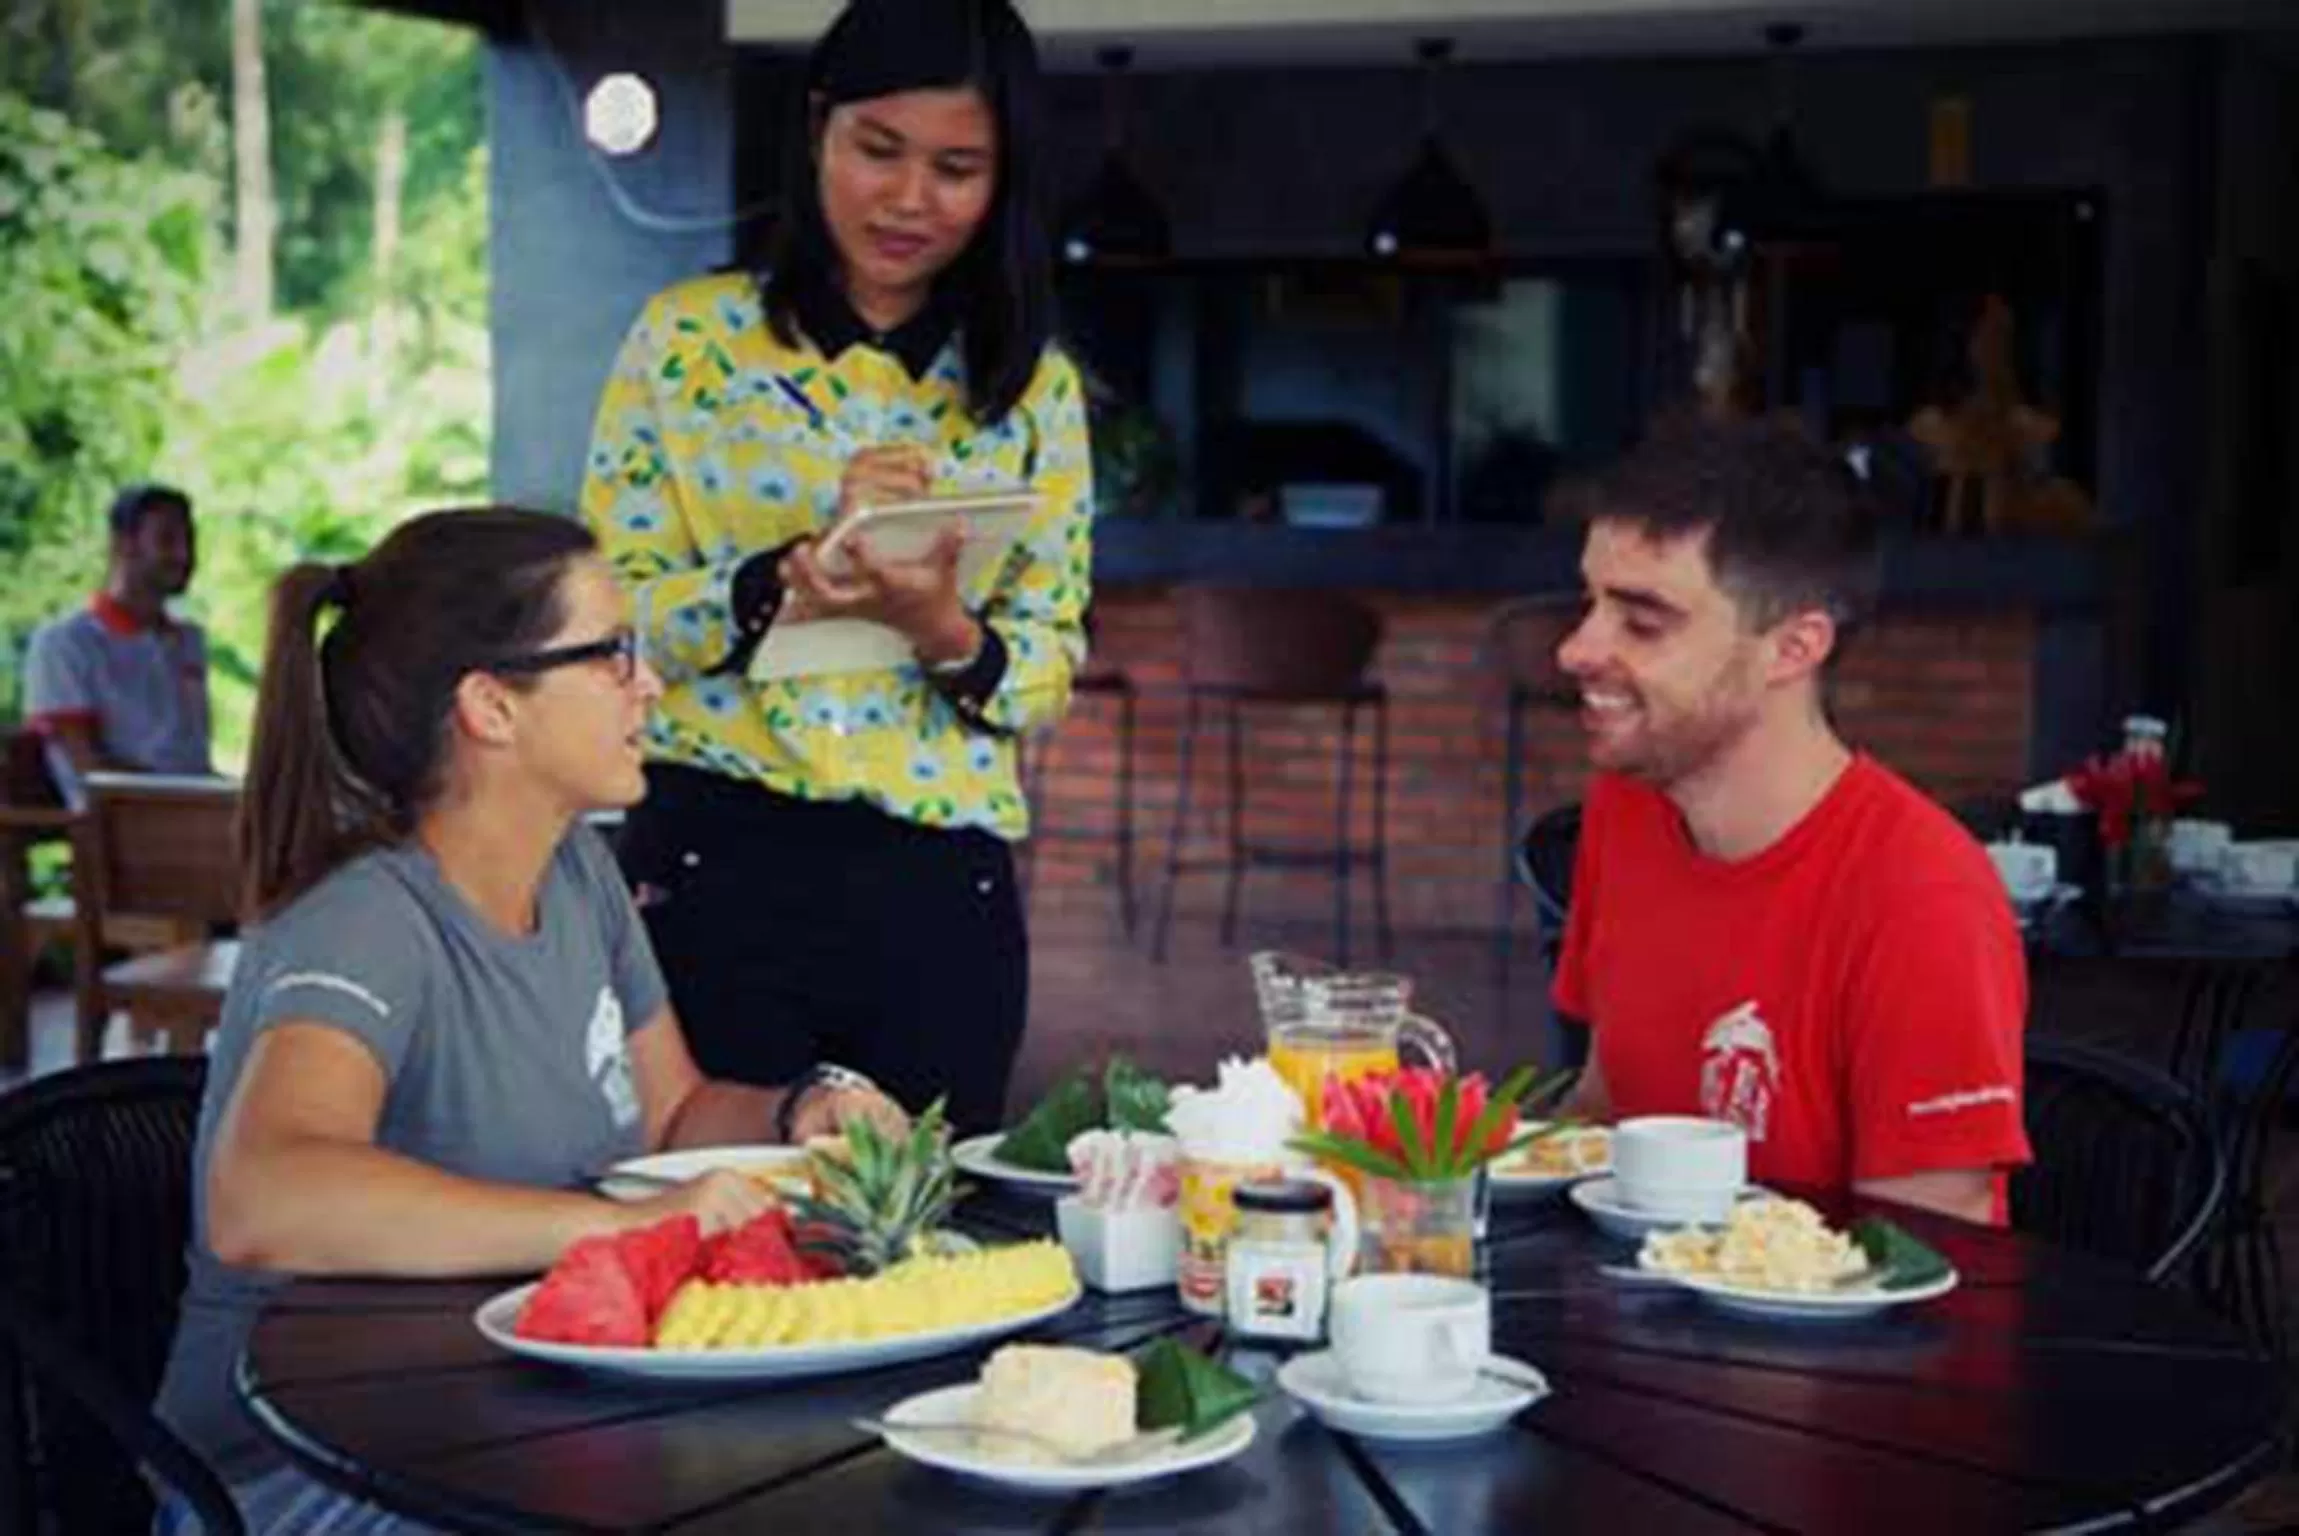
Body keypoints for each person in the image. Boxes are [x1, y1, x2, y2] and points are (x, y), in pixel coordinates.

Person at [151, 508, 908, 1535]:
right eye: (612, 655)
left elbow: (672, 1115)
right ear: (491, 707)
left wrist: (798, 1111)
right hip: (307, 1475)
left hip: (514, 1419)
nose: (650, 683)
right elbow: (263, 1195)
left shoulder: (581, 873)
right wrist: (619, 1228)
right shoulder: (367, 915)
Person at [580, 0, 1091, 1133]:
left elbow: (1050, 661)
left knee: (922, 1242)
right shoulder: (685, 342)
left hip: (939, 890)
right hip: (716, 861)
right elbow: (611, 622)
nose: (912, 200)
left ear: (1005, 180)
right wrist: (782, 577)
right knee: (717, 1236)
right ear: (817, 130)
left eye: (958, 168)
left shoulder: (1030, 390)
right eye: (878, 150)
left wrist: (943, 629)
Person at [1548, 416, 2031, 1224]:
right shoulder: (1627, 806)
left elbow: (1935, 1258)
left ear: (1793, 648)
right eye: (1589, 603)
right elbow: (1603, 1107)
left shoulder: (1919, 895)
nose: (1574, 648)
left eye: (1641, 621)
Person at [22, 483, 213, 803]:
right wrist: (185, 799)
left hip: (193, 814)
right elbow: (87, 768)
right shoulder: (66, 643)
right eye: (167, 540)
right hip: (121, 824)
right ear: (123, 545)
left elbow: (191, 761)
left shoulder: (188, 640)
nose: (184, 555)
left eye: (189, 540)